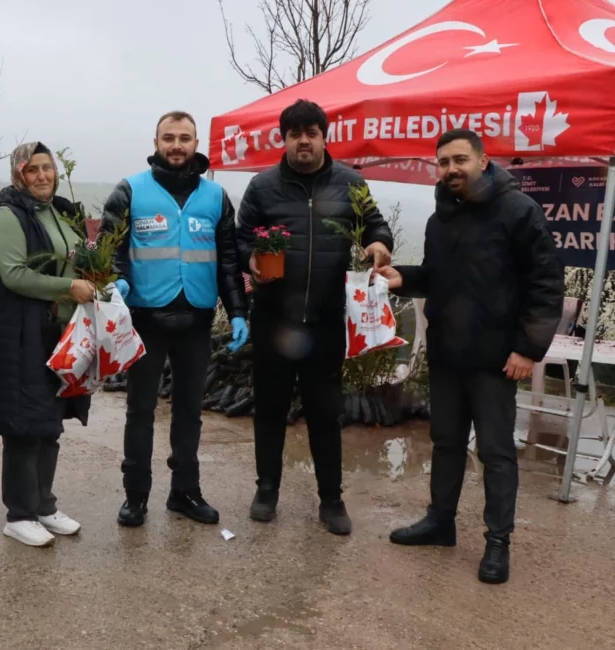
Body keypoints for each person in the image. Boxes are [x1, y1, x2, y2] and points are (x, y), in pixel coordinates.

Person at [379, 129, 564, 584]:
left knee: (496, 452)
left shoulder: (519, 211)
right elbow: (438, 277)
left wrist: (527, 347)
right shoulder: (441, 218)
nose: (450, 169)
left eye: (459, 159)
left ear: (484, 160)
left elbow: (545, 285)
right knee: (445, 444)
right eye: (443, 162)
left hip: (496, 358)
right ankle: (441, 522)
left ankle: (497, 543)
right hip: (447, 354)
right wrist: (402, 277)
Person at [236, 99, 393, 536]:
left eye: (312, 132)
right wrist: (251, 261)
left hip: (325, 321)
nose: (303, 140)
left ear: (325, 137)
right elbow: (242, 239)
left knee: (326, 413)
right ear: (283, 139)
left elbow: (375, 226)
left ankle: (331, 500)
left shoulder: (350, 183)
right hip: (273, 320)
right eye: (294, 133)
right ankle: (266, 490)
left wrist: (379, 245)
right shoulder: (263, 187)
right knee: (269, 409)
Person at [101, 111, 248, 528]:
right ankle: (136, 495)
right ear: (156, 142)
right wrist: (118, 282)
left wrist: (238, 312)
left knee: (189, 412)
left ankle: (185, 492)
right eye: (170, 137)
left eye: (185, 138)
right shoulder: (130, 191)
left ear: (196, 143)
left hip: (196, 321)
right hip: (145, 320)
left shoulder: (215, 198)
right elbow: (110, 250)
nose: (177, 145)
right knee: (140, 410)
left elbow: (229, 263)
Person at [0, 141, 94, 547]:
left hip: (58, 335)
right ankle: (20, 513)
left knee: (49, 423)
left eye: (48, 168)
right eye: (33, 169)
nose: (42, 175)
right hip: (20, 334)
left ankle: (45, 504)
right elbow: (15, 275)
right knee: (24, 425)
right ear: (18, 174)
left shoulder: (59, 211)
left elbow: (75, 257)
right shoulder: (8, 215)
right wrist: (70, 287)